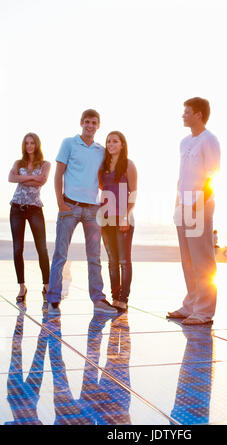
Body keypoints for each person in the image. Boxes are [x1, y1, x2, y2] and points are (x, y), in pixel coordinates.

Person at [46, 109, 118, 316]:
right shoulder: (68, 143)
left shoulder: (101, 150)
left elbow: (106, 177)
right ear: (81, 123)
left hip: (92, 209)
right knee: (60, 254)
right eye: (86, 122)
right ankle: (53, 299)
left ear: (98, 126)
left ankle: (98, 299)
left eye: (94, 122)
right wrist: (60, 202)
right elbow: (58, 173)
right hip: (70, 206)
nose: (90, 125)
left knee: (94, 256)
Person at [167, 97, 220, 325]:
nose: (183, 115)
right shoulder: (184, 142)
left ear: (198, 114)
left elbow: (213, 174)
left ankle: (204, 310)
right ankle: (190, 305)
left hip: (199, 202)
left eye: (187, 112)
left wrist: (199, 202)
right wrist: (178, 202)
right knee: (187, 258)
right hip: (183, 201)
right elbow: (182, 175)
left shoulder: (210, 140)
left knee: (202, 258)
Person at [8, 133, 51, 304]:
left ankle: (47, 286)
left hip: (35, 209)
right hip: (17, 207)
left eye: (32, 143)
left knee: (42, 248)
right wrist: (33, 177)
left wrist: (22, 178)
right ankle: (22, 287)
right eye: (27, 143)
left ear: (37, 144)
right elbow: (11, 178)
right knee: (18, 249)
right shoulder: (18, 163)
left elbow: (42, 181)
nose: (30, 146)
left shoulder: (45, 164)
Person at [98, 131, 137, 311]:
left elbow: (134, 193)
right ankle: (115, 298)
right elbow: (102, 187)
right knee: (112, 261)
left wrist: (125, 216)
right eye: (108, 142)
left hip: (123, 219)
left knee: (124, 261)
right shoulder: (103, 166)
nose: (111, 144)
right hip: (105, 218)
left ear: (122, 144)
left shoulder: (128, 165)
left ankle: (123, 299)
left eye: (115, 141)